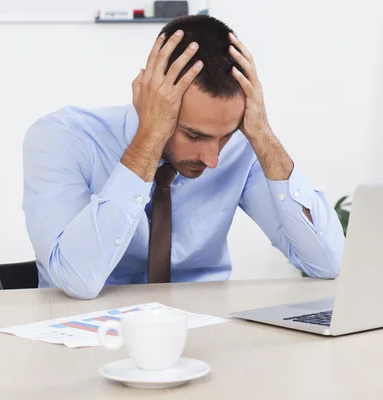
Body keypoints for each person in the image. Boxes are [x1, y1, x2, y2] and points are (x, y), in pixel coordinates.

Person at [22, 15, 345, 299]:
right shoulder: (64, 137)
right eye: (194, 135)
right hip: (84, 331)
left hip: (203, 327)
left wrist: (261, 134)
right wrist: (149, 137)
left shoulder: (242, 145)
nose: (212, 158)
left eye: (226, 135)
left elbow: (327, 263)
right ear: (151, 97)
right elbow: (77, 281)